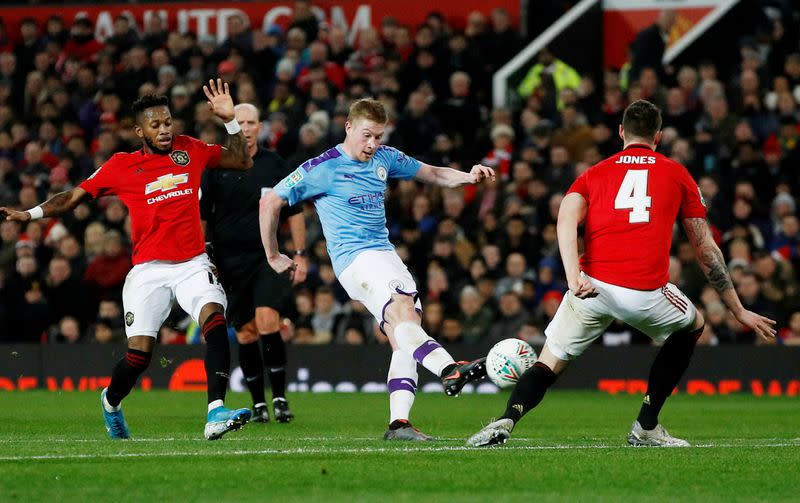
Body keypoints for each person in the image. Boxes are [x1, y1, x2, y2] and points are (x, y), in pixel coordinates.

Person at [467, 100, 776, 447]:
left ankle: (506, 420)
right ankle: (645, 426)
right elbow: (706, 249)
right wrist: (737, 309)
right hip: (645, 292)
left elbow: (566, 219)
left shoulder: (594, 173)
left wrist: (572, 277)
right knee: (694, 324)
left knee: (550, 360)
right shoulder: (677, 174)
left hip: (590, 287)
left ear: (621, 133)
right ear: (657, 136)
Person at [0, 80, 255, 441]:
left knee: (214, 319)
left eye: (168, 122)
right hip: (148, 270)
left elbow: (242, 160)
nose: (165, 130)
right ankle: (111, 401)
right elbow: (74, 196)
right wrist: (31, 214)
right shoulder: (121, 166)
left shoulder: (191, 150)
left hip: (192, 263)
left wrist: (231, 122)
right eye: (156, 125)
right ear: (140, 131)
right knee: (139, 357)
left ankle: (215, 413)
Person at [259, 98, 494, 440]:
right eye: (367, 135)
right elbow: (270, 201)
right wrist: (273, 254)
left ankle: (398, 423)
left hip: (384, 255)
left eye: (378, 137)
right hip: (356, 259)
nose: (372, 144)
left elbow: (432, 173)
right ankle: (448, 368)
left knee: (406, 331)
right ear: (349, 128)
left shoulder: (386, 158)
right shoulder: (321, 167)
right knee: (402, 313)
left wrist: (469, 176)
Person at [201, 102, 306, 423]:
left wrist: (300, 255)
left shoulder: (275, 165)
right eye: (239, 122)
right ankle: (259, 403)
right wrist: (204, 254)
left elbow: (295, 211)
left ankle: (280, 398)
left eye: (250, 122)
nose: (245, 128)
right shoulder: (216, 165)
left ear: (260, 127)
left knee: (267, 320)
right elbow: (204, 216)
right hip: (229, 261)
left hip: (267, 258)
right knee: (245, 333)